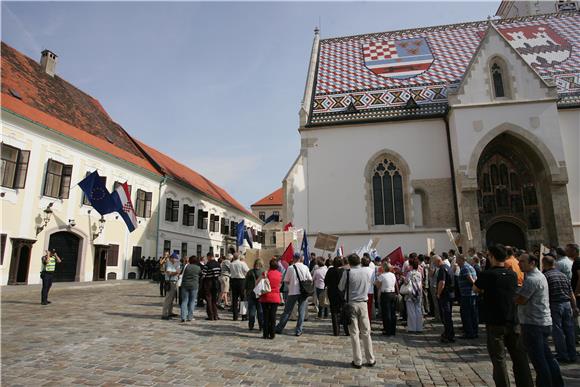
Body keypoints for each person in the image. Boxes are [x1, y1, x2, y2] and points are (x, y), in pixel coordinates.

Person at [473, 244, 533, 387]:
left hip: (495, 322)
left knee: (499, 360)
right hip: (513, 320)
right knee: (520, 357)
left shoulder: (487, 274)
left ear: (492, 257)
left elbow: (475, 288)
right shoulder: (511, 274)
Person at [515, 253, 564, 387]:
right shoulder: (539, 276)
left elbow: (521, 299)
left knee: (539, 360)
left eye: (522, 261)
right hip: (543, 321)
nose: (519, 264)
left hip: (533, 323)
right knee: (547, 357)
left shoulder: (532, 279)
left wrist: (514, 295)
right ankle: (557, 383)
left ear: (532, 263)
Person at [339, 254, 376, 369]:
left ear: (349, 262)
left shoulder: (348, 273)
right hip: (363, 303)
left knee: (354, 333)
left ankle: (357, 360)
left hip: (351, 304)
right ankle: (370, 359)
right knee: (366, 332)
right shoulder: (368, 271)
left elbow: (340, 287)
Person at [542, 255, 578, 363]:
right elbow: (571, 293)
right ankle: (572, 354)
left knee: (558, 331)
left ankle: (562, 354)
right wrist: (574, 306)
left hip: (555, 305)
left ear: (544, 264)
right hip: (566, 304)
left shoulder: (546, 276)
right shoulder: (563, 275)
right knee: (569, 330)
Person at [275, 253, 312, 336]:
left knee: (287, 311)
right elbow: (310, 279)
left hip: (293, 291)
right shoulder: (305, 267)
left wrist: (291, 285)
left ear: (294, 258)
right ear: (300, 258)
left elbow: (286, 281)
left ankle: (279, 328)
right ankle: (299, 330)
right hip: (303, 292)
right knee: (301, 311)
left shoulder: (291, 268)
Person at [325, 257, 348, 336]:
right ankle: (346, 330)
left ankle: (336, 331)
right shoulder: (344, 271)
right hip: (342, 293)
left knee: (334, 312)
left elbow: (326, 281)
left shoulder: (330, 270)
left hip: (332, 293)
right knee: (344, 312)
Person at [260, 259, 282, 339]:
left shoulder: (266, 273)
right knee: (273, 316)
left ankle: (265, 334)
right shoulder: (279, 274)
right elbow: (280, 285)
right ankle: (272, 333)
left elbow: (259, 283)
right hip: (275, 297)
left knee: (266, 316)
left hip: (265, 296)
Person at [457, 255, 478, 339]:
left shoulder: (465, 268)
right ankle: (474, 331)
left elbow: (471, 280)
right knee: (473, 314)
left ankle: (469, 332)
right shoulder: (470, 266)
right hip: (471, 294)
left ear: (462, 260)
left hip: (467, 294)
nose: (456, 262)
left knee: (466, 314)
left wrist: (475, 287)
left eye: (458, 260)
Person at [375, 262, 398, 336]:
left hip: (385, 294)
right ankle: (392, 330)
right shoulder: (393, 275)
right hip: (392, 293)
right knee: (392, 312)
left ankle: (387, 330)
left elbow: (378, 286)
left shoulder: (382, 276)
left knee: (386, 313)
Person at [436, 256, 455, 343]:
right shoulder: (448, 267)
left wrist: (438, 293)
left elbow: (442, 282)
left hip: (445, 295)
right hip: (450, 294)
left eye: (434, 263)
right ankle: (450, 333)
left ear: (438, 261)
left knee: (445, 315)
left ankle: (448, 334)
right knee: (448, 315)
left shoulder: (442, 269)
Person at [404, 257, 423, 333]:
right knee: (418, 310)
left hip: (411, 293)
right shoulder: (419, 273)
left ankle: (412, 328)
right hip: (418, 293)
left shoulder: (410, 273)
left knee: (411, 311)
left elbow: (406, 282)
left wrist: (403, 278)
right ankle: (419, 328)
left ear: (411, 265)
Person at [180, 255, 201, 323]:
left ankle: (183, 317)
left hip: (185, 285)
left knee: (184, 301)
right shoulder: (198, 268)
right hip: (194, 286)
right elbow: (200, 275)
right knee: (192, 301)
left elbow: (182, 274)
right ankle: (190, 317)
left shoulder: (187, 266)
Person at [245, 259, 264, 330]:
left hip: (251, 293)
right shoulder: (263, 272)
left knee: (251, 310)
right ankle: (261, 326)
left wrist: (245, 292)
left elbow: (246, 283)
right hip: (260, 294)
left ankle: (251, 325)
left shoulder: (250, 272)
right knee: (260, 311)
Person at [161, 253, 181, 320]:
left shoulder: (172, 264)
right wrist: (177, 272)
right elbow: (169, 273)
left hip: (174, 282)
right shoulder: (168, 264)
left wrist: (177, 274)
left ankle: (170, 312)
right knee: (168, 299)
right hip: (170, 282)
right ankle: (164, 314)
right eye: (175, 258)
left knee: (171, 299)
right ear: (172, 258)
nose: (176, 260)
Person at [202, 252, 221, 320]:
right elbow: (219, 273)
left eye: (207, 257)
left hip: (208, 282)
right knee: (214, 299)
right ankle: (216, 315)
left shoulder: (207, 265)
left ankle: (211, 315)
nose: (207, 259)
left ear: (209, 257)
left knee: (209, 299)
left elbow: (203, 274)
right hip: (216, 282)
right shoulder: (218, 264)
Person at [230, 253, 249, 321]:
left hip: (233, 281)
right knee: (243, 298)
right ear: (239, 257)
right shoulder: (242, 263)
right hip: (241, 281)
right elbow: (247, 271)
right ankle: (244, 316)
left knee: (234, 299)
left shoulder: (231, 264)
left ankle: (235, 316)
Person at [361, 256, 375, 322]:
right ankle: (368, 323)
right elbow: (374, 281)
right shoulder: (372, 271)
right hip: (370, 291)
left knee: (362, 310)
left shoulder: (359, 270)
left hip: (361, 292)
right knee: (368, 309)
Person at [428, 255, 441, 322]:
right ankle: (438, 316)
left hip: (434, 285)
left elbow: (430, 274)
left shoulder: (433, 265)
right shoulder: (439, 266)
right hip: (437, 285)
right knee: (437, 302)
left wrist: (429, 268)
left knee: (436, 302)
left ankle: (438, 318)